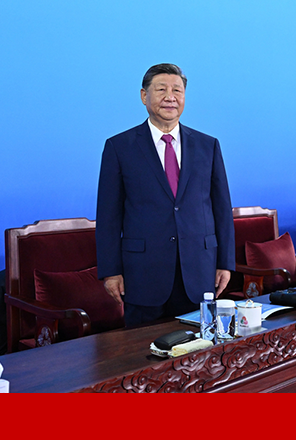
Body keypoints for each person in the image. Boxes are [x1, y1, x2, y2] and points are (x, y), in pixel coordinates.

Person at [96, 63, 235, 327]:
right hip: (143, 274)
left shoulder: (208, 145)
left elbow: (221, 209)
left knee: (199, 347)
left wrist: (225, 262)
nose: (170, 97)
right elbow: (108, 216)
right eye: (161, 89)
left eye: (177, 90)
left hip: (198, 270)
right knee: (142, 348)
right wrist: (111, 271)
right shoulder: (119, 147)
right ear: (144, 96)